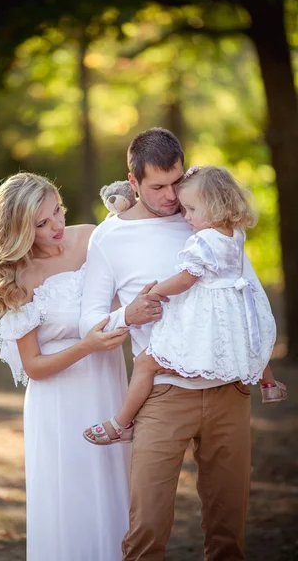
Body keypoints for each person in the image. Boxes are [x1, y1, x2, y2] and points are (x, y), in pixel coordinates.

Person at [79, 127, 270, 560]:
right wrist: (127, 316)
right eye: (157, 187)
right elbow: (88, 323)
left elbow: (246, 291)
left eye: (176, 182)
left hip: (228, 391)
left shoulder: (207, 215)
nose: (170, 197)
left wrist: (261, 368)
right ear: (133, 183)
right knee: (146, 531)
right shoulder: (109, 238)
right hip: (162, 393)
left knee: (227, 534)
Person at [0, 171, 131, 561]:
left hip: (108, 385)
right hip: (59, 400)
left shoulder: (93, 237)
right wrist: (88, 345)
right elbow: (33, 366)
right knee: (71, 496)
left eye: (57, 212)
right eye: (42, 224)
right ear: (19, 230)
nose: (57, 227)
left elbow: (125, 290)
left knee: (115, 487)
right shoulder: (19, 276)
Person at [83, 164, 286, 448]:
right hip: (234, 309)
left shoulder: (202, 240)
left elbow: (184, 280)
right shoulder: (235, 233)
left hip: (200, 318)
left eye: (190, 209)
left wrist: (154, 292)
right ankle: (269, 385)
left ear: (213, 208)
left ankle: (121, 423)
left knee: (145, 363)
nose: (184, 215)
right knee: (252, 335)